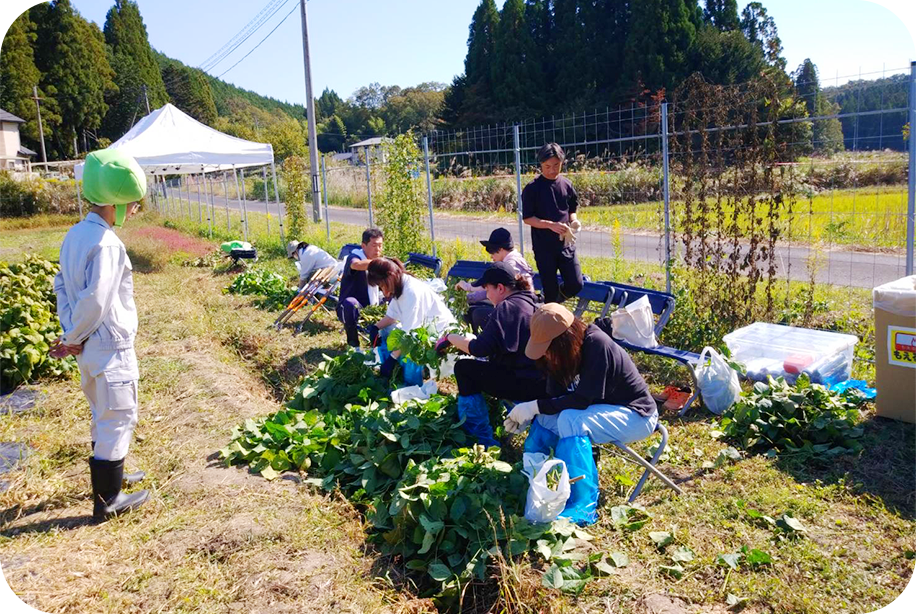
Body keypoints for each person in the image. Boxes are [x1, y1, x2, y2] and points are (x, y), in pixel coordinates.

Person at [50, 149, 150, 522]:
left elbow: (63, 287)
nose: (134, 212)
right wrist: (72, 334)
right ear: (117, 204)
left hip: (87, 345)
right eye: (133, 205)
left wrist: (69, 333)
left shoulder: (75, 235)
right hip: (109, 344)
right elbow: (97, 300)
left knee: (102, 411)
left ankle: (113, 478)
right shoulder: (109, 244)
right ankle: (108, 500)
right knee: (118, 414)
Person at [503, 303, 658, 525]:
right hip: (601, 411)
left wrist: (533, 406)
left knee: (570, 419)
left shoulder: (597, 344)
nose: (545, 353)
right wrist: (529, 416)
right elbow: (554, 396)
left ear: (564, 339)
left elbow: (581, 400)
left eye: (548, 347)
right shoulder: (564, 354)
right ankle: (539, 480)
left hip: (637, 415)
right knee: (547, 418)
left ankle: (581, 506)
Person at [443, 261, 546, 447]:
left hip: (525, 384)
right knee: (486, 366)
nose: (486, 295)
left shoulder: (507, 308)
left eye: (486, 289)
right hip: (543, 381)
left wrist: (451, 338)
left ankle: (478, 437)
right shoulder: (532, 300)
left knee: (464, 368)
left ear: (500, 288)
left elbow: (478, 348)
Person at [367, 257, 456, 382]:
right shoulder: (399, 284)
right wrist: (375, 327)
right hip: (419, 329)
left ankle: (413, 380)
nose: (383, 291)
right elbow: (392, 317)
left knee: (413, 348)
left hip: (438, 334)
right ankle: (393, 368)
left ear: (390, 277)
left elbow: (411, 334)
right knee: (386, 330)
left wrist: (392, 358)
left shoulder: (411, 292)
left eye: (381, 286)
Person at [522, 143, 584, 304]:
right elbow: (527, 218)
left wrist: (574, 221)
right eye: (547, 166)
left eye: (556, 165)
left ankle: (552, 303)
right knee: (550, 288)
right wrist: (550, 225)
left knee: (576, 284)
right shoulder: (532, 188)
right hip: (544, 247)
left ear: (562, 162)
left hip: (565, 244)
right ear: (541, 165)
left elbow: (571, 208)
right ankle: (551, 311)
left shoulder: (566, 185)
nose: (552, 170)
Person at [455, 227, 534, 332]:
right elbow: (490, 290)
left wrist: (468, 289)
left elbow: (489, 290)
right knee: (471, 309)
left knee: (478, 314)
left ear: (501, 249)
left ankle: (485, 343)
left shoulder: (510, 265)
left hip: (516, 313)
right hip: (515, 307)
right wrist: (468, 298)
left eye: (492, 252)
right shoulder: (511, 259)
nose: (491, 257)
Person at [337, 228, 384, 348]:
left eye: (380, 245)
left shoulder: (378, 261)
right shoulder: (355, 256)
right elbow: (355, 265)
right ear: (363, 245)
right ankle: (354, 346)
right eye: (374, 245)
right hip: (352, 309)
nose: (378, 249)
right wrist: (380, 264)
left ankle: (380, 346)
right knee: (350, 303)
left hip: (372, 306)